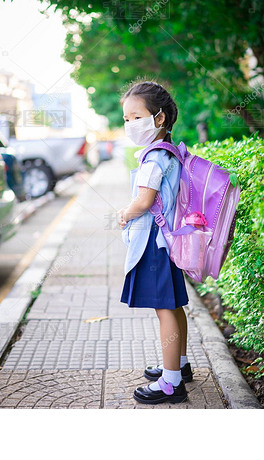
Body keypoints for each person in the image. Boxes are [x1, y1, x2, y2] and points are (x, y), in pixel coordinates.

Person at [117, 80, 193, 405]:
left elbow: (144, 201)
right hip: (168, 242)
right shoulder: (172, 151)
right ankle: (181, 365)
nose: (130, 125)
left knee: (164, 310)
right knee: (174, 306)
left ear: (158, 119)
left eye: (136, 117)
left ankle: (171, 382)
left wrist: (124, 213)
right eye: (127, 119)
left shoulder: (152, 158)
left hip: (153, 244)